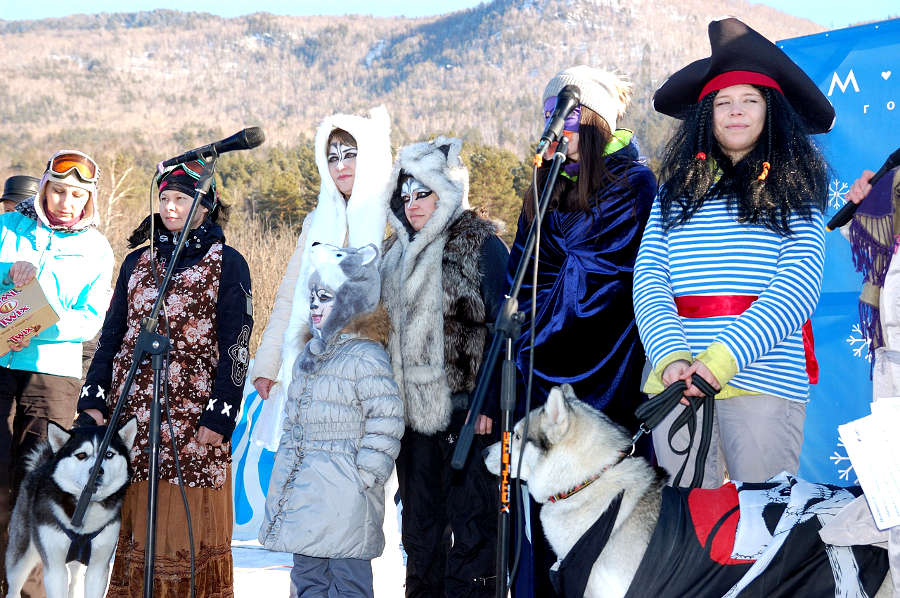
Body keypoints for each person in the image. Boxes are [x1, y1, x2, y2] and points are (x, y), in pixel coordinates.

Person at [633, 17, 833, 489]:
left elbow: (796, 288)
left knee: (759, 530)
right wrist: (671, 357)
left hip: (765, 380)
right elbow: (649, 278)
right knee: (685, 535)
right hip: (677, 385)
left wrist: (722, 361)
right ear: (708, 115)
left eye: (750, 101)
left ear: (771, 112)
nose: (736, 112)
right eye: (724, 102)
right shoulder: (674, 192)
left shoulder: (796, 190)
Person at [504, 66, 658, 598]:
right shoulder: (549, 186)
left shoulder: (634, 183)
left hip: (604, 375)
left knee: (599, 538)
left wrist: (536, 340)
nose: (556, 126)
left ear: (592, 119)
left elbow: (592, 276)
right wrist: (522, 346)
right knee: (542, 528)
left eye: (565, 115)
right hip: (540, 376)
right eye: (548, 115)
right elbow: (520, 274)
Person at [77, 159, 252, 597]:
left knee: (182, 529)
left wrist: (222, 411)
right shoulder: (138, 262)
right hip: (132, 415)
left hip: (193, 418)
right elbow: (112, 334)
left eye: (182, 199)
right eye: (165, 198)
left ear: (205, 204)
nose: (170, 208)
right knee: (137, 529)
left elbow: (237, 343)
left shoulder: (227, 262)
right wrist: (94, 394)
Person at [379, 137, 509, 598]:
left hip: (468, 414)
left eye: (424, 193)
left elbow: (506, 327)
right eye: (406, 195)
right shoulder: (394, 254)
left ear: (448, 192)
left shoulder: (482, 243)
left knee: (473, 530)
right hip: (412, 420)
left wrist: (488, 401)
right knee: (420, 534)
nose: (413, 205)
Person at [259, 242, 404, 598]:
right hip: (306, 490)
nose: (314, 306)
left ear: (351, 300)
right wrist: (286, 467)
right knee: (307, 577)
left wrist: (367, 473)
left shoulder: (365, 355)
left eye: (325, 297)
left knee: (347, 579)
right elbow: (293, 422)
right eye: (312, 297)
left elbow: (386, 416)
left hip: (346, 493)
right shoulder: (308, 357)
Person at [0, 150, 114, 597]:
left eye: (77, 194)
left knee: (35, 492)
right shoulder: (8, 229)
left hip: (53, 378)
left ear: (89, 200)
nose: (66, 201)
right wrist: (10, 276)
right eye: (59, 190)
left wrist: (44, 311)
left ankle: (30, 591)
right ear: (44, 188)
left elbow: (89, 320)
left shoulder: (96, 249)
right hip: (0, 364)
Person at [249, 107, 392, 444]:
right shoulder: (317, 221)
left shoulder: (393, 217)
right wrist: (269, 365)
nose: (340, 165)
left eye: (350, 154)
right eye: (332, 157)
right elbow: (290, 296)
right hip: (311, 367)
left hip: (369, 376)